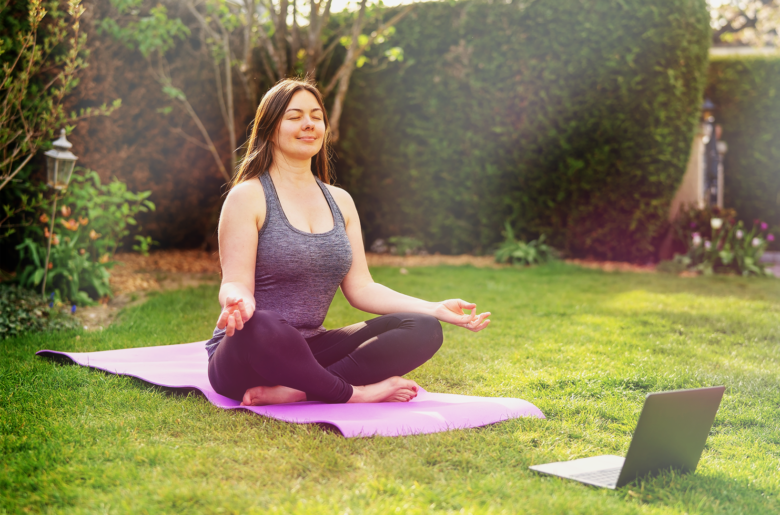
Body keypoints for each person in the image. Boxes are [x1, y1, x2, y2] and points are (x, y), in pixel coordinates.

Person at [206, 78, 490, 407]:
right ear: (270, 129)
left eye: (316, 116)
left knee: (423, 327)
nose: (309, 124)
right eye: (295, 116)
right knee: (263, 323)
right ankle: (354, 393)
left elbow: (361, 288)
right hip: (249, 353)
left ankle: (299, 390)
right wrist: (238, 303)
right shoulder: (248, 196)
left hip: (310, 349)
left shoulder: (340, 201)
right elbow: (235, 282)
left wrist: (434, 308)